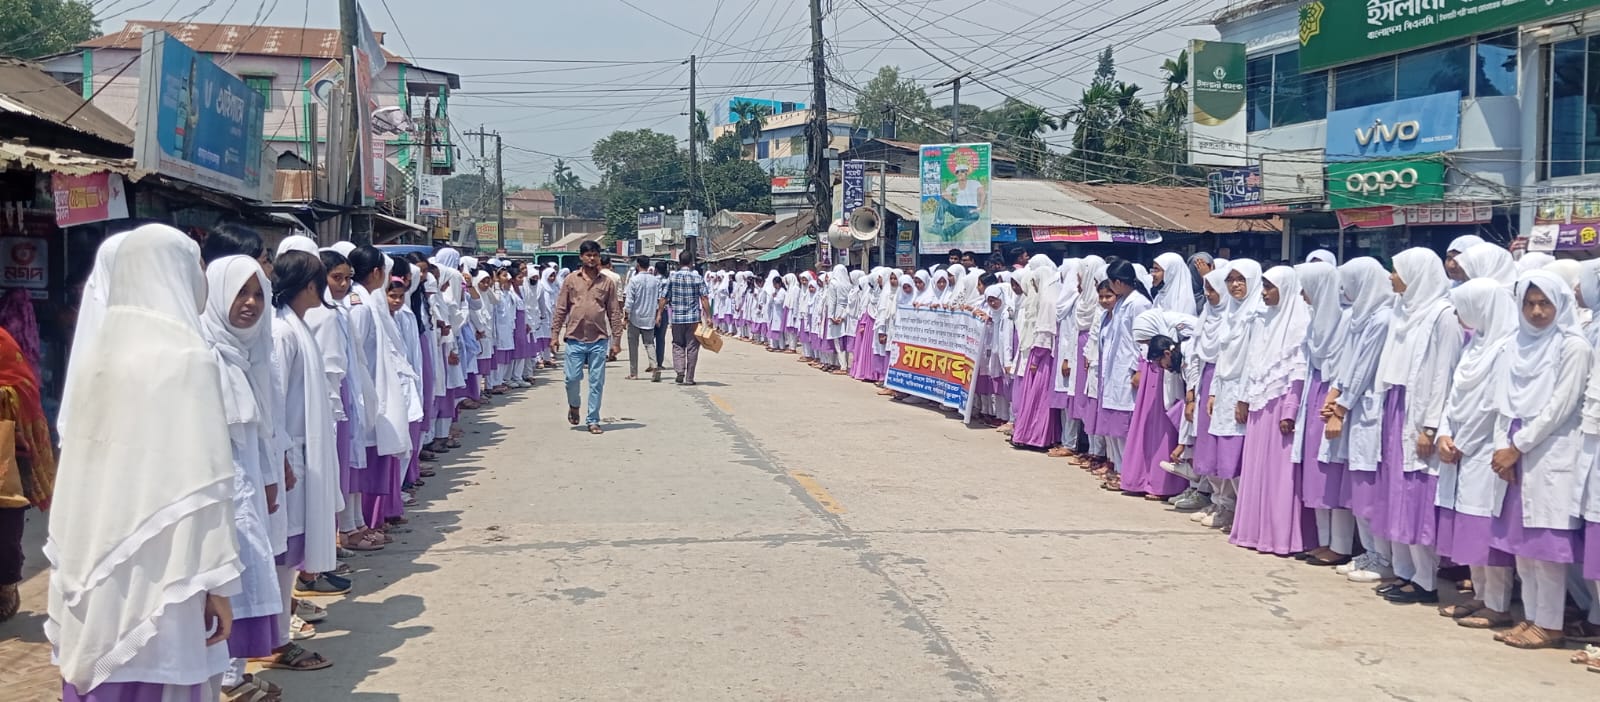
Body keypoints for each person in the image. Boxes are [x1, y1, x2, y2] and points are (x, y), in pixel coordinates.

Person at [48, 224, 240, 701]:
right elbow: (207, 484)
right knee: (163, 672)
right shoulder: (190, 358)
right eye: (196, 264)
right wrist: (217, 583)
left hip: (96, 552)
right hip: (168, 569)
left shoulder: (96, 358)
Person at [1487, 270, 1590, 647]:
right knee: (1522, 546)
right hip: (1513, 452)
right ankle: (1531, 618)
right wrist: (1502, 447)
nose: (1536, 311)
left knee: (1546, 547)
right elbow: (1503, 401)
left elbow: (1560, 406)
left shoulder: (1573, 347)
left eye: (1545, 303)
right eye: (1529, 303)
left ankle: (1550, 624)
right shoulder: (1516, 343)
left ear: (1559, 304)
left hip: (1549, 451)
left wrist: (1518, 446)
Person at [0, 323, 53, 623]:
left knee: (5, 522)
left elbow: (20, 386)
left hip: (5, 447)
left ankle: (6, 582)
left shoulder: (3, 343)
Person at [551, 241, 624, 434]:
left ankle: (593, 420)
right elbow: (561, 309)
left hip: (599, 340)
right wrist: (554, 335)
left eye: (595, 255)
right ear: (581, 257)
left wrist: (616, 341)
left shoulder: (606, 282)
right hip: (574, 338)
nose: (592, 258)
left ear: (599, 257)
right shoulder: (571, 280)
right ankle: (574, 405)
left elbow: (614, 312)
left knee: (596, 382)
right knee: (571, 379)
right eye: (588, 255)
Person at [661, 250, 711, 386]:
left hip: (677, 318)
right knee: (692, 347)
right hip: (693, 319)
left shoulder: (672, 278)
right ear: (691, 262)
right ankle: (689, 378)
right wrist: (709, 316)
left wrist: (659, 314)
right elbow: (704, 298)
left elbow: (664, 297)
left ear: (679, 262)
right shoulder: (697, 278)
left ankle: (679, 370)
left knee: (677, 344)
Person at [624, 256, 664, 381]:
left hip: (635, 317)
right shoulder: (655, 281)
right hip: (649, 317)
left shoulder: (634, 280)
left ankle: (634, 373)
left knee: (633, 346)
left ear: (638, 265)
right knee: (649, 344)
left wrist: (625, 316)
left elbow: (629, 301)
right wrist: (658, 314)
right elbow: (659, 299)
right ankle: (654, 366)